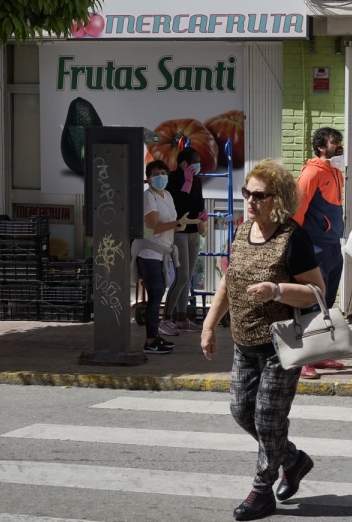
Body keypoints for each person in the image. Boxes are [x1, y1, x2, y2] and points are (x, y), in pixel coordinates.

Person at [201, 159, 325, 521]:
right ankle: (293, 459)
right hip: (243, 343)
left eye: (259, 195)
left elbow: (318, 291)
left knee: (268, 419)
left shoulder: (292, 237)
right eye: (247, 193)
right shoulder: (242, 232)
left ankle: (261, 491)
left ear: (279, 199)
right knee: (242, 412)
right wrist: (209, 325)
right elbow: (229, 282)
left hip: (280, 346)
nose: (250, 201)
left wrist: (277, 290)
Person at [293, 127, 346, 380]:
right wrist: (296, 246)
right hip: (315, 246)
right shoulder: (311, 173)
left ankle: (320, 354)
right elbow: (296, 212)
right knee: (312, 302)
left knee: (327, 302)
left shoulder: (337, 172)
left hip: (333, 246)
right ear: (321, 147)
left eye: (340, 141)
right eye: (335, 142)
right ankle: (305, 360)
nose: (340, 146)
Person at [132, 160, 195, 354]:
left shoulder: (167, 195)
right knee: (155, 296)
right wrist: (176, 224)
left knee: (158, 296)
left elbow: (170, 224)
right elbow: (153, 226)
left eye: (163, 172)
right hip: (149, 252)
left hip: (162, 253)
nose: (160, 176)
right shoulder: (148, 197)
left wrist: (182, 224)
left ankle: (155, 337)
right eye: (155, 174)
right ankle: (150, 342)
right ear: (148, 179)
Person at [161, 148, 209, 335]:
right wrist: (186, 183)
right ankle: (166, 318)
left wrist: (202, 214)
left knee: (187, 277)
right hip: (179, 232)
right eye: (195, 161)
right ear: (184, 163)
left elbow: (198, 203)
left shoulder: (197, 181)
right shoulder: (172, 179)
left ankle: (182, 318)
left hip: (193, 232)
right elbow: (177, 207)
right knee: (180, 276)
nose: (198, 165)